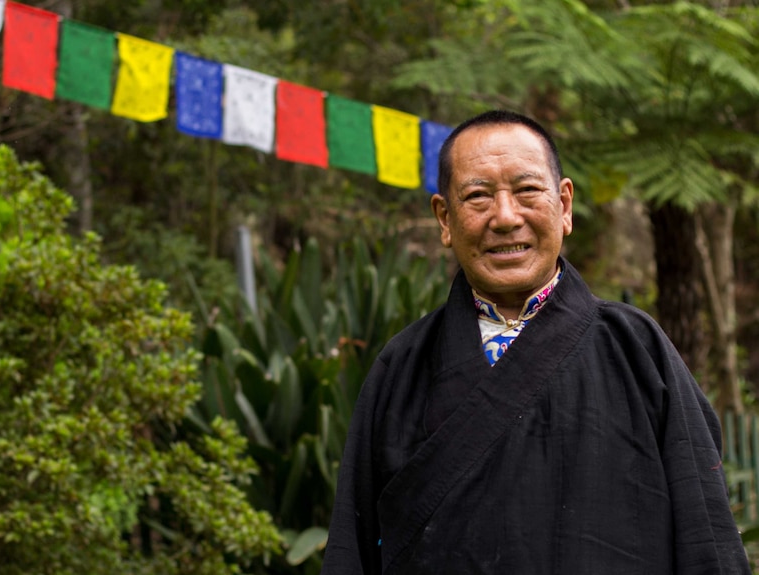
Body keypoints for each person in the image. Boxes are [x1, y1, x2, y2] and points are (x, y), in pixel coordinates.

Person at [320, 110, 750, 574]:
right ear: (444, 218)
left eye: (527, 191)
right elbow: (353, 547)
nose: (506, 218)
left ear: (564, 206)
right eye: (478, 197)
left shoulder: (638, 349)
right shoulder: (402, 367)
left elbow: (706, 539)